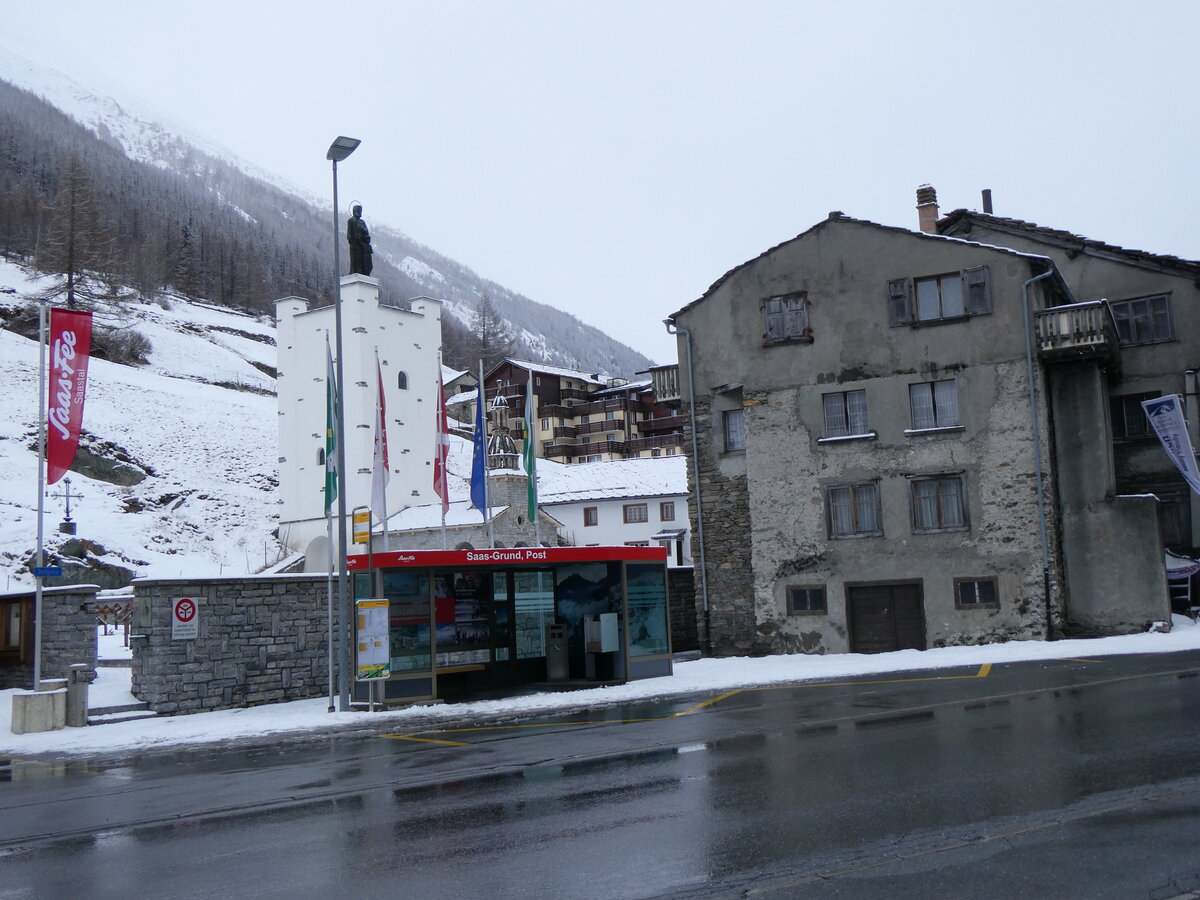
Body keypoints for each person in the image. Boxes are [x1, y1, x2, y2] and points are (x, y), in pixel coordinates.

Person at [347, 204, 373, 276]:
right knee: (356, 264)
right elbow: (349, 235)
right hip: (355, 245)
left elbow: (366, 233)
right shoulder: (351, 221)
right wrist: (355, 240)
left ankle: (365, 273)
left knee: (365, 263)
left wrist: (366, 238)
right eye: (359, 210)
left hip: (363, 245)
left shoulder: (362, 222)